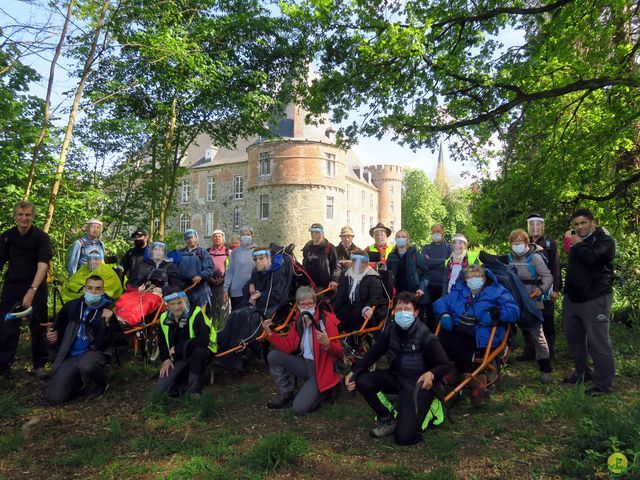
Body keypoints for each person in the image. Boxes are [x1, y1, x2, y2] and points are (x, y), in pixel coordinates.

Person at [345, 292, 451, 445]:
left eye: (407, 309)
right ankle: (388, 418)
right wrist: (354, 371)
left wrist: (431, 374)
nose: (402, 313)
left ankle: (434, 406)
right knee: (363, 380)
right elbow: (373, 354)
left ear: (416, 313)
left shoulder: (426, 336)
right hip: (396, 377)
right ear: (394, 311)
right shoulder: (390, 330)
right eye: (399, 309)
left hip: (418, 385)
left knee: (404, 438)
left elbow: (445, 365)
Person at [433, 264, 520, 406]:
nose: (474, 279)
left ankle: (472, 378)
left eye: (477, 276)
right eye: (470, 276)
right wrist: (444, 313)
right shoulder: (459, 290)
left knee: (459, 344)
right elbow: (440, 302)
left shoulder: (497, 291)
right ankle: (452, 370)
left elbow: (514, 310)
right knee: (438, 342)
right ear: (465, 279)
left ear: (484, 278)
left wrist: (495, 313)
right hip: (459, 327)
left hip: (482, 331)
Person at [263, 286, 343, 414]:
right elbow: (289, 346)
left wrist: (327, 343)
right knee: (274, 356)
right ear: (298, 305)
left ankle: (327, 391)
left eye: (310, 303)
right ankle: (287, 394)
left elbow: (339, 351)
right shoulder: (298, 320)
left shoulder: (326, 320)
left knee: (298, 409)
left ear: (315, 303)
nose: (306, 307)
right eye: (302, 304)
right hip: (305, 364)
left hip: (321, 369)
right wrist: (270, 334)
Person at [562, 208, 616, 396]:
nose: (580, 227)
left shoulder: (605, 240)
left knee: (598, 343)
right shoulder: (576, 242)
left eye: (583, 223)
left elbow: (593, 259)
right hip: (573, 298)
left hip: (595, 297)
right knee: (574, 339)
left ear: (593, 222)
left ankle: (604, 385)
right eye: (576, 224)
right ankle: (582, 372)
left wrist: (578, 244)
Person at [0, 201, 53, 379]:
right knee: (7, 327)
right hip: (12, 286)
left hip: (36, 286)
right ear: (15, 216)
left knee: (38, 326)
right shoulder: (7, 236)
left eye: (28, 215)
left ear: (33, 216)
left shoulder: (41, 237)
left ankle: (40, 364)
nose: (24, 218)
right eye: (20, 215)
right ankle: (4, 367)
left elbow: (43, 266)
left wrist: (32, 290)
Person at [215, 247, 291, 370]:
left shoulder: (276, 271)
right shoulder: (256, 270)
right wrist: (250, 286)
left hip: (269, 304)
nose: (259, 261)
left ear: (268, 258)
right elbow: (249, 284)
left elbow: (277, 295)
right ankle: (222, 347)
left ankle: (236, 356)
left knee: (245, 317)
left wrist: (260, 294)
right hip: (253, 302)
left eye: (261, 258)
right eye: (256, 259)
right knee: (234, 315)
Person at [46, 276, 116, 405]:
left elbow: (109, 343)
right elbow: (55, 330)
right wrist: (51, 337)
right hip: (70, 356)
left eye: (97, 289)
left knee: (87, 365)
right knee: (55, 399)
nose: (93, 292)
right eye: (90, 288)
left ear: (103, 291)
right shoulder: (71, 306)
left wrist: (106, 323)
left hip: (92, 353)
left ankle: (102, 383)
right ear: (84, 289)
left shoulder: (107, 311)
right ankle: (77, 381)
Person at [501, 229, 554, 382]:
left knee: (538, 335)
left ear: (526, 241)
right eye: (514, 241)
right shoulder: (509, 259)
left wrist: (541, 290)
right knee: (505, 331)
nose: (517, 243)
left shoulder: (535, 258)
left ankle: (546, 370)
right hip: (514, 301)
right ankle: (498, 363)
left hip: (532, 300)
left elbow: (547, 276)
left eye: (520, 240)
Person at [156, 287, 216, 397]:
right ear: (167, 306)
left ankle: (194, 391)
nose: (177, 307)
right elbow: (162, 342)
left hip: (201, 352)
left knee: (199, 352)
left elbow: (203, 341)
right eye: (172, 304)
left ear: (185, 301)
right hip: (178, 356)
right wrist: (166, 359)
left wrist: (178, 349)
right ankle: (183, 384)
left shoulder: (196, 312)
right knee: (161, 391)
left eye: (179, 303)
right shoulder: (163, 318)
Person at [522, 214, 561, 360]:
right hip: (528, 288)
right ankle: (529, 350)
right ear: (528, 227)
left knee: (547, 319)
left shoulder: (550, 243)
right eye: (532, 225)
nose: (535, 227)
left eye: (538, 224)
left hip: (546, 287)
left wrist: (556, 289)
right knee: (528, 317)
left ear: (542, 226)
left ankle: (549, 351)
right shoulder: (524, 243)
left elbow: (555, 267)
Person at [330, 250, 389, 332]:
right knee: (336, 318)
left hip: (363, 307)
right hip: (348, 305)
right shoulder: (347, 275)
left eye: (362, 262)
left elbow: (375, 296)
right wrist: (330, 308)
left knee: (354, 318)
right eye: (356, 262)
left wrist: (367, 308)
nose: (359, 264)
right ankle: (337, 339)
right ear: (352, 263)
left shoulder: (372, 277)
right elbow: (340, 295)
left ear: (367, 263)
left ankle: (353, 341)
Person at [386, 230, 430, 324]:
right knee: (399, 322)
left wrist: (422, 288)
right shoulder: (391, 255)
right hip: (398, 296)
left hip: (415, 295)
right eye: (398, 236)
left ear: (407, 239)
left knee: (416, 323)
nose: (400, 238)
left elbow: (426, 273)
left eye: (403, 236)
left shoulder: (415, 254)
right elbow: (388, 275)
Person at [421, 223, 452, 330]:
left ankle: (441, 336)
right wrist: (443, 261)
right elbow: (424, 262)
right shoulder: (426, 247)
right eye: (433, 232)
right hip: (429, 285)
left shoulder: (449, 247)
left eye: (438, 231)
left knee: (442, 312)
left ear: (443, 233)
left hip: (444, 286)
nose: (435, 234)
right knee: (429, 313)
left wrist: (431, 261)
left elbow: (449, 263)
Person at [177, 229, 213, 309]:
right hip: (183, 289)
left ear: (196, 238)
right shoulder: (180, 253)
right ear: (185, 240)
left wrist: (200, 276)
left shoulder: (203, 252)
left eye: (192, 237)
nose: (190, 240)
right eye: (187, 238)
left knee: (199, 317)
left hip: (200, 290)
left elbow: (209, 269)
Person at [223, 227, 256, 309]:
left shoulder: (257, 251)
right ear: (240, 237)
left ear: (252, 236)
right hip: (237, 291)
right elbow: (230, 271)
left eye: (248, 234)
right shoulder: (235, 252)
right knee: (237, 318)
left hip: (253, 291)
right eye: (243, 235)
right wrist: (226, 289)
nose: (246, 236)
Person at [301, 223, 340, 290]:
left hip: (324, 287)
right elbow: (304, 265)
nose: (314, 234)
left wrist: (334, 280)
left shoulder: (329, 247)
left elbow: (336, 266)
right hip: (308, 286)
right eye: (312, 232)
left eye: (317, 232)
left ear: (322, 233)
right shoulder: (307, 247)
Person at [207, 229, 231, 325]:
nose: (217, 238)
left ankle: (223, 329)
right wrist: (209, 277)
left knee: (223, 307)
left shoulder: (228, 252)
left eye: (219, 236)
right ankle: (210, 329)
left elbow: (231, 268)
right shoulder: (207, 251)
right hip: (210, 282)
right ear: (212, 239)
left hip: (223, 283)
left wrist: (223, 279)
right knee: (210, 307)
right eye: (215, 236)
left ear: (223, 238)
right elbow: (204, 266)